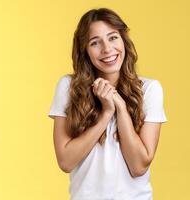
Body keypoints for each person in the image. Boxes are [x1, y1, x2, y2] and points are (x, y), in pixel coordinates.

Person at [48, 8, 167, 200]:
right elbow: (66, 161)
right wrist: (105, 114)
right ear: (84, 50)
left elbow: (138, 166)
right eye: (95, 42)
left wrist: (120, 107)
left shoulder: (149, 89)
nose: (107, 49)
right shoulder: (69, 87)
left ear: (123, 40)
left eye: (113, 38)